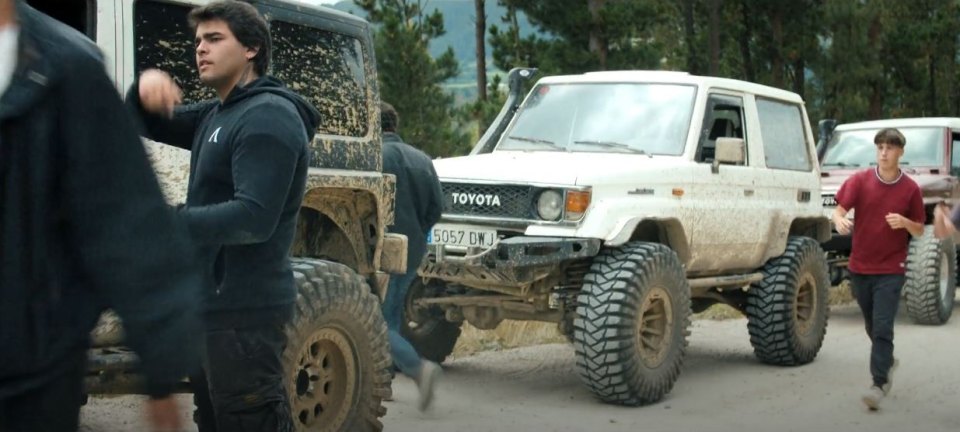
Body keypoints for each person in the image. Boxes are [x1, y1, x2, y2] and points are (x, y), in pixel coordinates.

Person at [0, 1, 203, 431]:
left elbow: (127, 224)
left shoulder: (68, 69)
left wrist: (160, 374)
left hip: (32, 376)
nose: (202, 48)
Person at [125, 1, 321, 430]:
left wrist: (168, 223)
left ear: (251, 48)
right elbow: (145, 121)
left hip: (246, 315)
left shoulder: (268, 117)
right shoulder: (218, 111)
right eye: (197, 41)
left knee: (249, 419)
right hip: (212, 309)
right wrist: (143, 87)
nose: (200, 49)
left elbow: (253, 218)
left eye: (214, 39)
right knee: (215, 420)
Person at [831, 127, 925, 411]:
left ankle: (878, 382)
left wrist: (905, 223)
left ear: (900, 153)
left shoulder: (910, 189)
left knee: (883, 326)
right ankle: (887, 359)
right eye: (880, 147)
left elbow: (920, 230)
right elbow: (838, 210)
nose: (884, 153)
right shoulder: (860, 181)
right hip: (860, 266)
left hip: (891, 268)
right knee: (873, 326)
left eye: (890, 148)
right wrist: (838, 221)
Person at [379, 101, 444, 411]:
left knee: (376, 321)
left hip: (379, 249)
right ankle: (381, 385)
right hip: (413, 248)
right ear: (395, 124)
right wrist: (416, 234)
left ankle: (418, 369)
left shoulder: (371, 157)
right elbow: (436, 210)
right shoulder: (422, 159)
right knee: (389, 315)